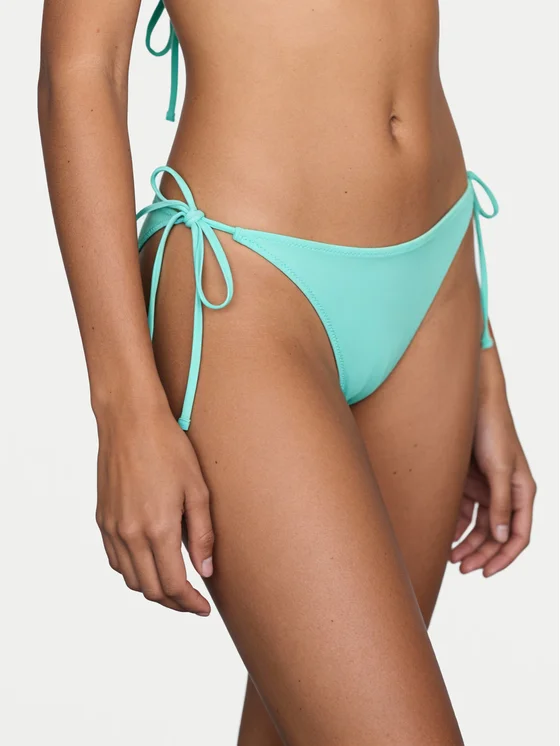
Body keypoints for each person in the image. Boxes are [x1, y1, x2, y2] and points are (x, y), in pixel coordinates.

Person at [38, 1, 537, 743]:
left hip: (438, 278)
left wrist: (483, 354)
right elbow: (82, 68)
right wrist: (124, 411)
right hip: (245, 288)